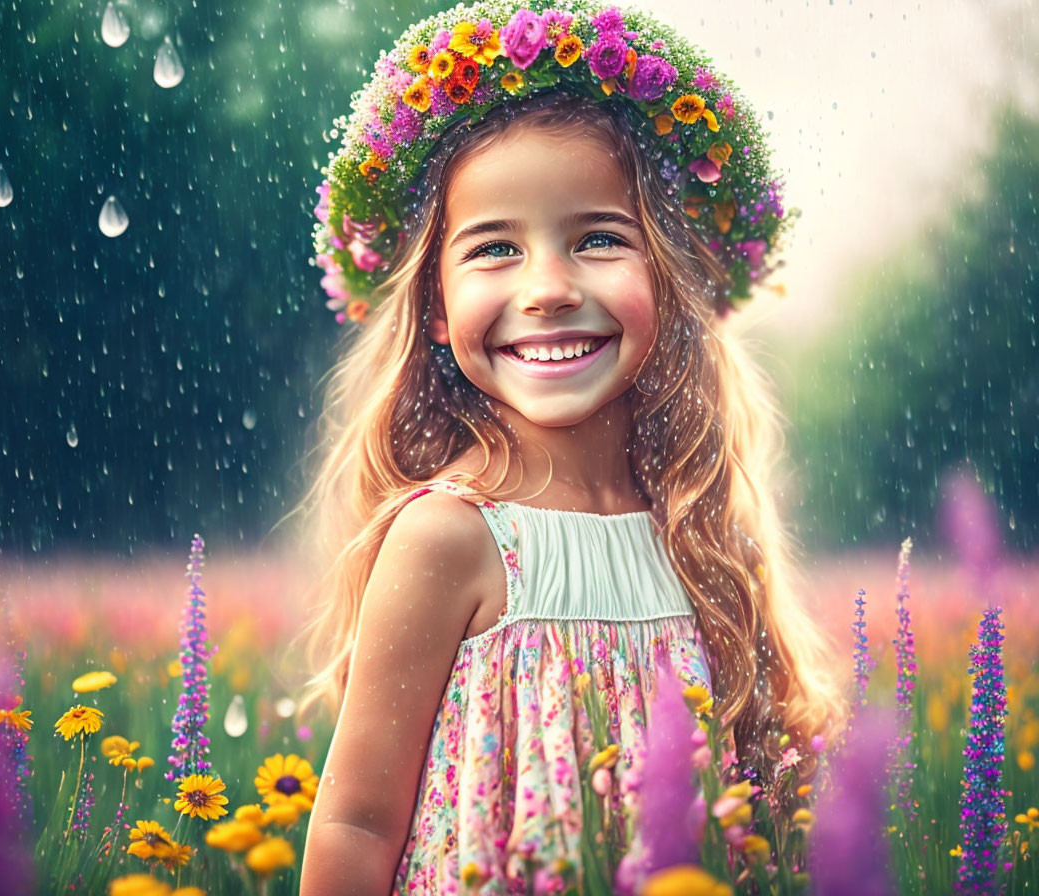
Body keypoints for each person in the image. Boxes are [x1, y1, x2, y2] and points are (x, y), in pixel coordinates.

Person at [294, 2, 845, 892]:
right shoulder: (449, 538)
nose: (548, 289)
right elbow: (357, 822)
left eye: (597, 239)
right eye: (494, 248)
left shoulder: (695, 535)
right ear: (435, 309)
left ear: (665, 279)